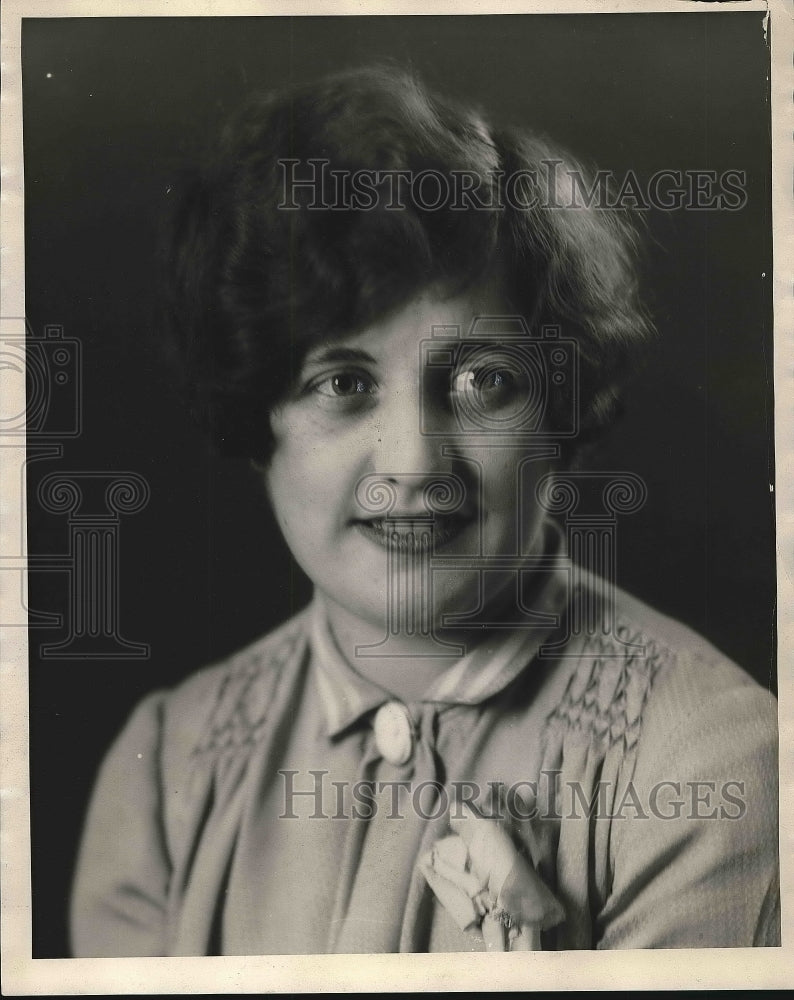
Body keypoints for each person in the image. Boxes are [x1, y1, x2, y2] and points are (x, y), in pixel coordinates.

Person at [70, 65, 779, 955]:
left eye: (484, 381)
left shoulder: (717, 763)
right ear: (260, 420)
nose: (411, 463)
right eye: (343, 383)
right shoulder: (165, 771)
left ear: (557, 414)